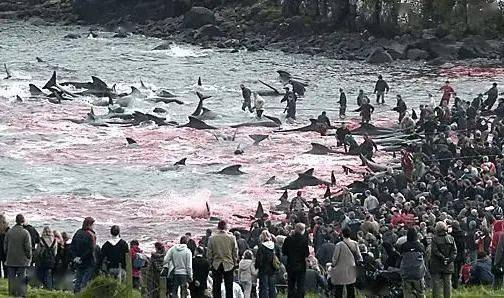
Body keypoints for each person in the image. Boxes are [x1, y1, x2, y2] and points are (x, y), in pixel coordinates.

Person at [207, 220, 238, 298]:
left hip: (216, 264)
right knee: (229, 287)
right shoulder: (232, 237)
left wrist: (210, 263)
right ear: (225, 227)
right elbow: (235, 251)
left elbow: (209, 253)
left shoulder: (212, 238)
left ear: (218, 227)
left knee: (216, 287)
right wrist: (235, 262)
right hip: (229, 264)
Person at [4, 214, 32, 297]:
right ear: (23, 221)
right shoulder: (25, 232)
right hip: (22, 260)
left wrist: (7, 254)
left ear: (16, 221)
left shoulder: (9, 232)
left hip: (10, 259)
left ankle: (11, 293)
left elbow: (5, 246)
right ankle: (21, 294)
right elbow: (28, 247)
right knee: (22, 278)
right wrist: (29, 257)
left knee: (11, 278)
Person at [330, 227, 362, 298]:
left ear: (342, 234)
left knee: (339, 289)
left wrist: (332, 265)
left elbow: (335, 258)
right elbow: (359, 257)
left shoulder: (339, 245)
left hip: (340, 269)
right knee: (350, 288)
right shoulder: (355, 243)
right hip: (351, 268)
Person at [429, 221, 457, 298]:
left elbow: (434, 251)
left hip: (436, 264)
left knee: (436, 284)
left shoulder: (434, 239)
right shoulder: (451, 238)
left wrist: (442, 258)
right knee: (447, 284)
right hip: (448, 264)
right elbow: (454, 251)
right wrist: (449, 259)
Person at [282, 223, 309, 298]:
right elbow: (306, 253)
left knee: (291, 285)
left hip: (290, 264)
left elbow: (284, 251)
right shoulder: (304, 240)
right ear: (302, 230)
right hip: (301, 265)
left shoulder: (288, 239)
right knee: (300, 285)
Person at [70, 217, 97, 293]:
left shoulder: (78, 232)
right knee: (85, 282)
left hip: (78, 261)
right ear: (90, 224)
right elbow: (91, 249)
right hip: (88, 261)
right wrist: (82, 258)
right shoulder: (91, 234)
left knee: (78, 280)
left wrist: (75, 257)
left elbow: (72, 246)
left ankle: (76, 294)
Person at [399, 228, 426, 298]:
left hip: (406, 273)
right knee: (420, 292)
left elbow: (400, 255)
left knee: (407, 293)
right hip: (418, 273)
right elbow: (424, 255)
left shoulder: (404, 246)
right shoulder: (420, 245)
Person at [255, 230, 278, 298]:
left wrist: (257, 266)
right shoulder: (275, 246)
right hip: (273, 269)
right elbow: (279, 257)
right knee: (272, 287)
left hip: (263, 270)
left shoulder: (261, 247)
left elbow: (259, 260)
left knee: (263, 287)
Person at [0, 214, 9, 279]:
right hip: (4, 251)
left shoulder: (7, 231)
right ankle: (5, 278)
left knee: (5, 266)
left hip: (4, 251)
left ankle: (3, 278)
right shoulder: (7, 231)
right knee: (5, 267)